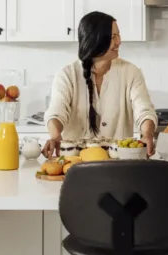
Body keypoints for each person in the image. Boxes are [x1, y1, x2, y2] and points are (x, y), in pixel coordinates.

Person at [43, 11, 158, 157]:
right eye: (112, 37)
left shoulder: (131, 72)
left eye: (118, 35)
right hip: (75, 163)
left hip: (118, 164)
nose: (119, 41)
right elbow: (56, 112)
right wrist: (55, 136)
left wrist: (147, 134)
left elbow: (144, 110)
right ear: (94, 41)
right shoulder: (67, 75)